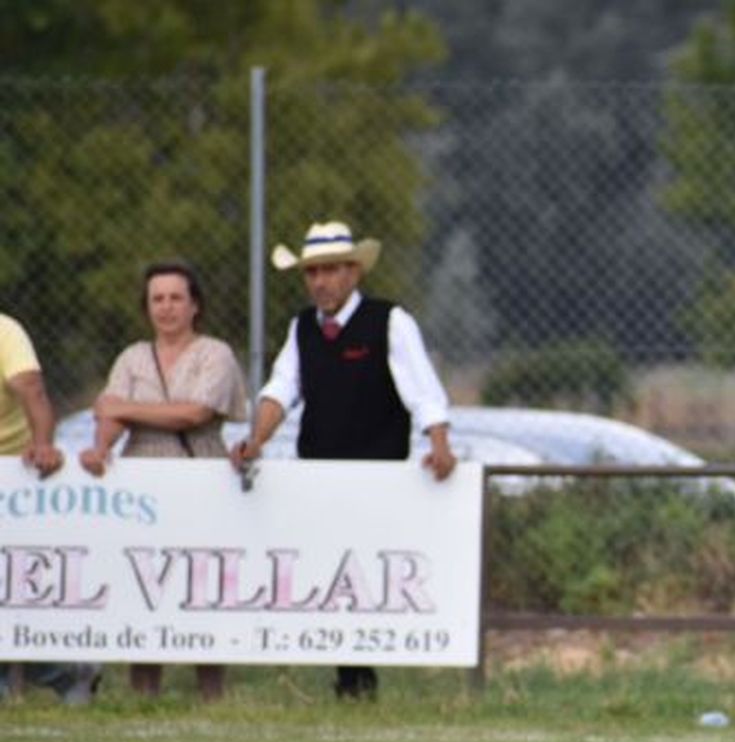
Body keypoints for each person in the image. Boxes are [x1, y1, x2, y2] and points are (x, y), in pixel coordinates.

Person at [230, 220, 457, 700]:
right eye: (312, 273)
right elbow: (280, 389)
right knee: (330, 573)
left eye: (330, 271)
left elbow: (422, 389)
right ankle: (349, 677)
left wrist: (439, 442)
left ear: (353, 273)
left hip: (377, 475)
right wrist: (256, 440)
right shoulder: (301, 329)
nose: (320, 282)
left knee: (367, 574)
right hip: (320, 474)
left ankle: (362, 675)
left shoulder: (389, 321)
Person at [79, 261, 248, 702]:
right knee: (143, 583)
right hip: (142, 478)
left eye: (176, 298)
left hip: (200, 474)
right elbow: (108, 419)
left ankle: (212, 692)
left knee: (203, 583)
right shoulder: (132, 358)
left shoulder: (216, 354)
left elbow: (196, 413)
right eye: (158, 299)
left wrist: (126, 409)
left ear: (195, 306)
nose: (167, 307)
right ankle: (143, 693)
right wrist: (101, 447)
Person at [0, 310, 100, 704]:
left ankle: (65, 672)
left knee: (14, 588)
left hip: (12, 474)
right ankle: (64, 672)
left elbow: (32, 391)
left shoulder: (6, 332)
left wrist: (43, 444)